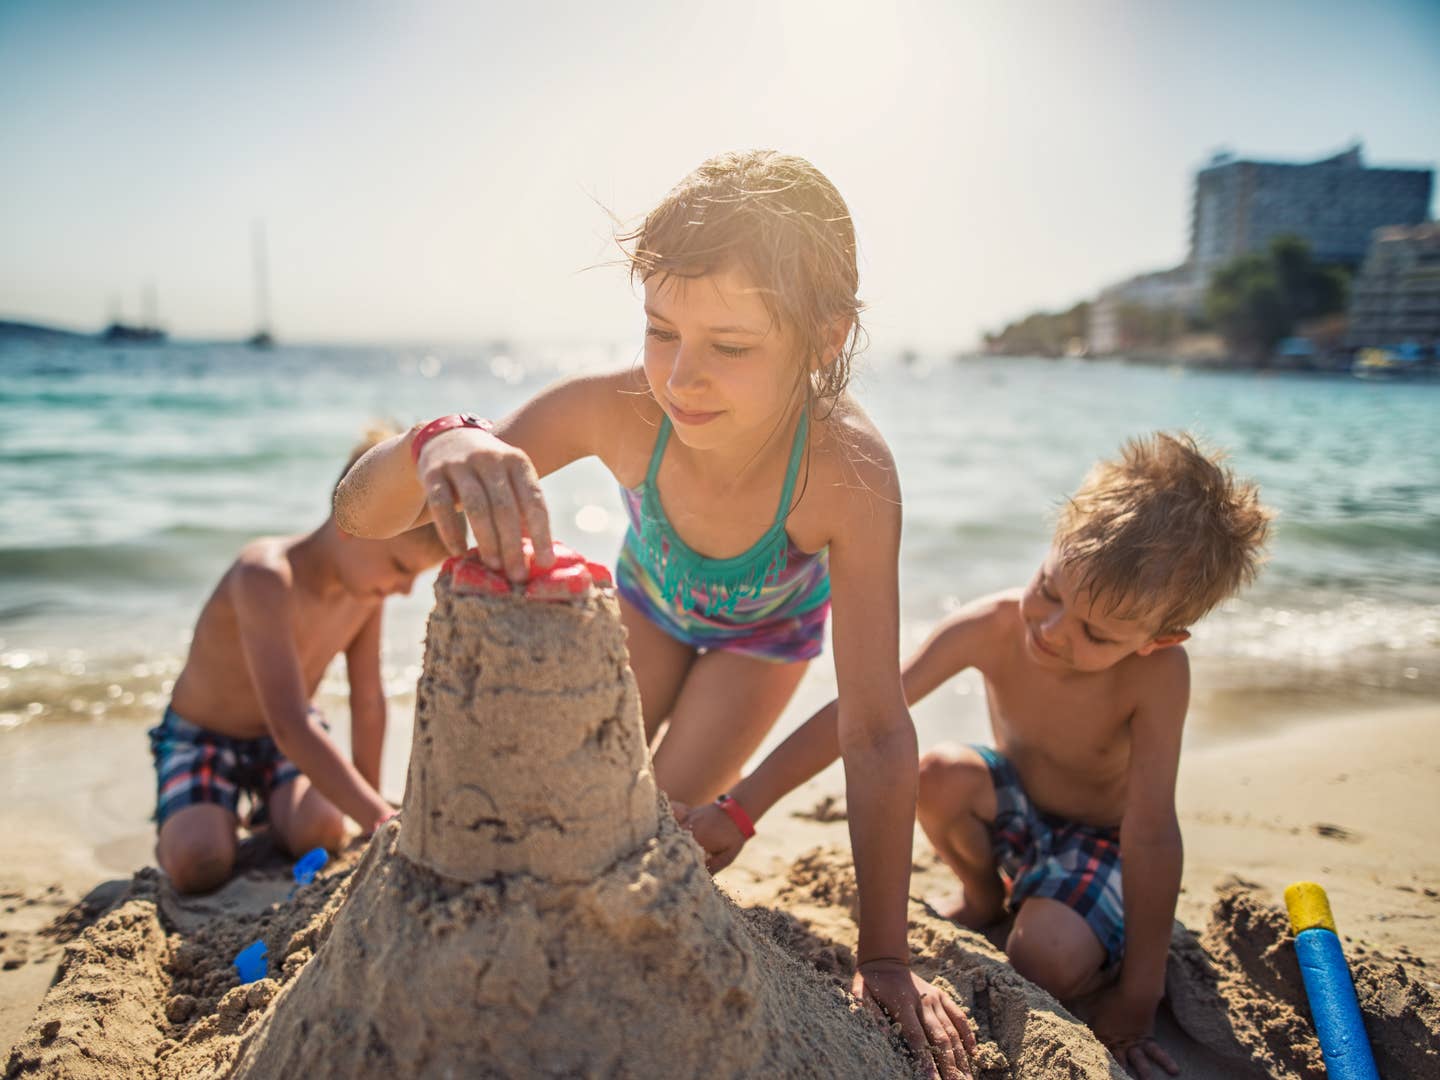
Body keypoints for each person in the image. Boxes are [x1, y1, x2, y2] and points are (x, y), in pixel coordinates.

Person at [334, 150, 976, 1079]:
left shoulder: (849, 475)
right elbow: (359, 520)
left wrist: (884, 958)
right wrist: (441, 438)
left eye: (732, 345)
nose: (682, 377)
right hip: (650, 605)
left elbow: (876, 726)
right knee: (564, 815)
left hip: (761, 644)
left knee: (656, 840)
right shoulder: (615, 412)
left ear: (825, 339)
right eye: (661, 329)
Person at [685, 432, 1272, 1079]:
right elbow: (862, 712)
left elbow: (1153, 830)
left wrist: (1140, 994)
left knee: (1044, 960)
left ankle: (1068, 926)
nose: (1051, 631)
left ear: (1160, 639)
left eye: (1095, 633)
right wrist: (741, 808)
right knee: (938, 774)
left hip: (1100, 843)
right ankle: (986, 896)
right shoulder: (989, 627)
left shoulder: (1159, 677)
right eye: (1050, 590)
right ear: (1053, 548)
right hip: (1017, 805)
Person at [149, 428, 449, 895]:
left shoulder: (364, 594)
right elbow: (289, 719)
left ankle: (268, 813)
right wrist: (381, 817)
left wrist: (365, 813)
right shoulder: (265, 576)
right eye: (400, 568)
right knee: (199, 862)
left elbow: (368, 700)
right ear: (354, 525)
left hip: (281, 743)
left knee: (323, 833)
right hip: (203, 736)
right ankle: (199, 815)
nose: (406, 589)